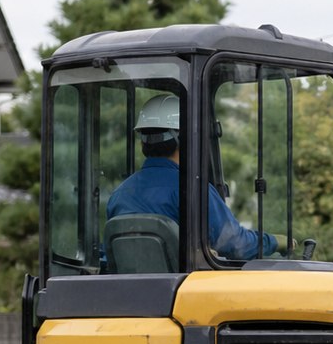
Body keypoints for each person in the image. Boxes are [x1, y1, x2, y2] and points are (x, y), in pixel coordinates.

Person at [106, 94, 278, 261]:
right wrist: (274, 242)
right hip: (181, 288)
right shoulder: (191, 189)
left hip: (128, 290)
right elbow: (236, 244)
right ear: (186, 139)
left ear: (143, 142)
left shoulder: (119, 195)